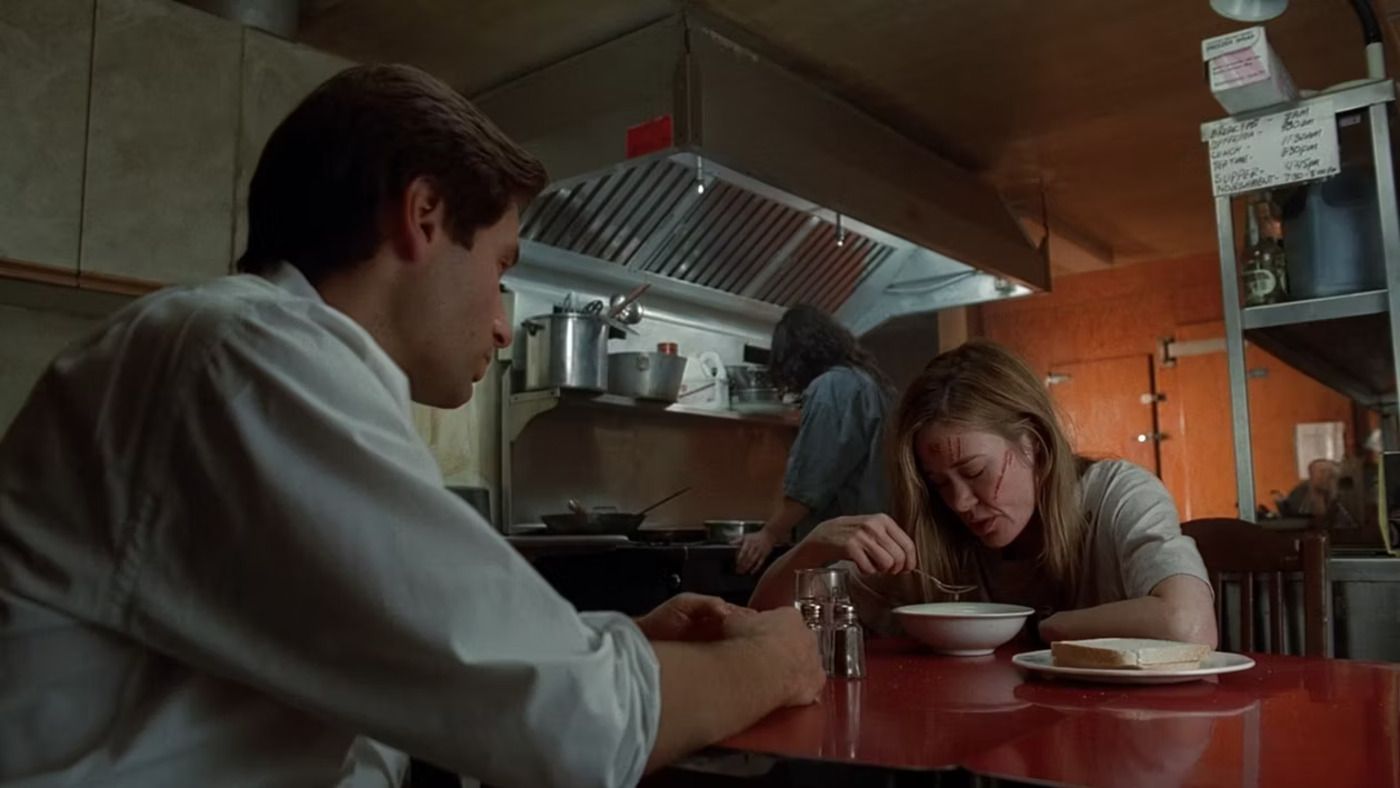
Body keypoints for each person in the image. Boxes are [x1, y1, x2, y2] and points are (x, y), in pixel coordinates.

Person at [0, 64, 823, 787]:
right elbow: (580, 732)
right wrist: (777, 659)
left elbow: (410, 667)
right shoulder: (243, 355)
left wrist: (610, 644)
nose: (503, 327)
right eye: (502, 269)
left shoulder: (253, 355)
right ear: (423, 215)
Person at [750, 340, 1218, 647]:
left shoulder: (1119, 495)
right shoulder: (934, 538)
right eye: (938, 483)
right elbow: (763, 618)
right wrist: (812, 548)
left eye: (973, 471)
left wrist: (1038, 627)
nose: (959, 503)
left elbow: (1187, 626)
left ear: (1032, 444)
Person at [735, 305, 893, 574]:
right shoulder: (866, 383)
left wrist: (769, 534)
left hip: (843, 553)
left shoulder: (831, 388)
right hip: (873, 546)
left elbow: (811, 482)